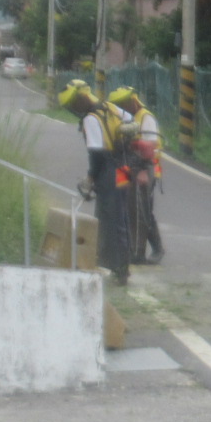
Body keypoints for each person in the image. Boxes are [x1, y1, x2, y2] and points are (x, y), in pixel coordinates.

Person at [58, 81, 132, 287]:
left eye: (73, 105)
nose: (74, 110)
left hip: (108, 169)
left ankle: (118, 269)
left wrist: (91, 178)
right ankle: (123, 265)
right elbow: (131, 120)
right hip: (124, 166)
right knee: (122, 215)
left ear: (81, 99)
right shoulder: (110, 107)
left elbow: (96, 154)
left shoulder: (91, 119)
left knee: (109, 218)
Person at [108, 86, 164, 265]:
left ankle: (138, 253)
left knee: (139, 210)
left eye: (124, 104)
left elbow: (150, 146)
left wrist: (141, 171)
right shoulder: (130, 118)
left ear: (132, 101)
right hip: (133, 167)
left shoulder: (145, 118)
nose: (122, 108)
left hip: (146, 168)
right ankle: (156, 248)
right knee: (138, 208)